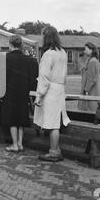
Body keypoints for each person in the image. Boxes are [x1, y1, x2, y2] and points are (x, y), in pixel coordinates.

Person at [34, 26, 70, 162]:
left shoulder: (48, 54)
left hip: (50, 91)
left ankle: (54, 152)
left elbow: (44, 77)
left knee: (52, 123)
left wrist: (39, 95)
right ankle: (57, 150)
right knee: (55, 120)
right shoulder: (62, 52)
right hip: (60, 89)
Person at [0, 35, 32, 152]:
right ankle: (20, 144)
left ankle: (14, 144)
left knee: (12, 118)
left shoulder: (5, 58)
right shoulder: (27, 59)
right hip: (23, 92)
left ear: (10, 44)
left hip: (9, 92)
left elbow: (1, 78)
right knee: (21, 118)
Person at [78, 42, 100, 112]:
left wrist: (86, 90)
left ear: (91, 50)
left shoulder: (93, 61)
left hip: (91, 92)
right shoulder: (90, 60)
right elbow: (85, 74)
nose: (85, 51)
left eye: (86, 49)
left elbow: (91, 79)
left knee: (90, 112)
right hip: (90, 91)